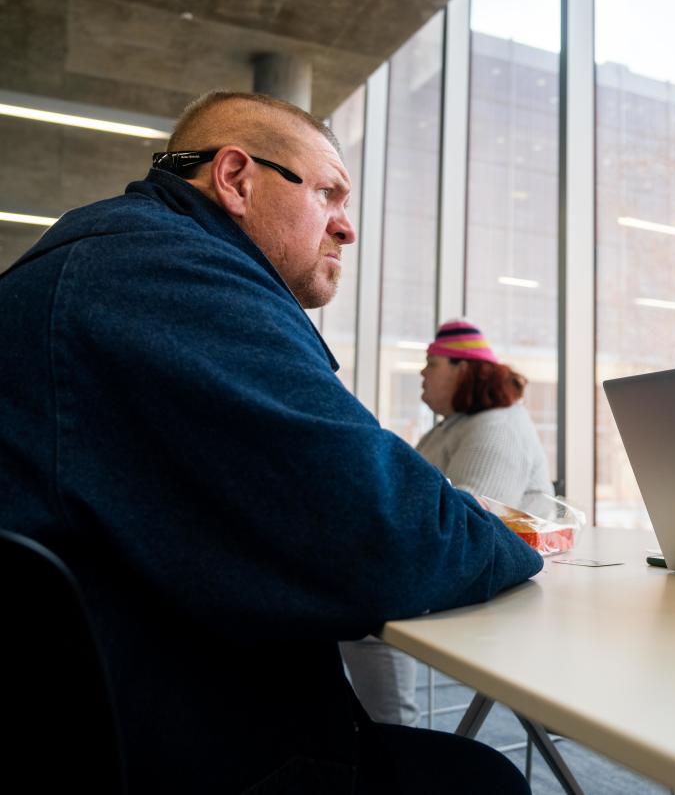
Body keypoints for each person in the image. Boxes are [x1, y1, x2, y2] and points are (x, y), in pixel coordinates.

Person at [0, 90, 543, 793]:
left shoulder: (103, 262)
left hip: (123, 713)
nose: (346, 229)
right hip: (181, 748)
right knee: (479, 782)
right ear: (236, 178)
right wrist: (518, 539)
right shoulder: (177, 281)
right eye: (329, 194)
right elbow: (393, 539)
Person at [342, 319, 553, 726]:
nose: (422, 373)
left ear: (464, 368)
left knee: (369, 608)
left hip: (504, 578)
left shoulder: (499, 425)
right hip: (477, 561)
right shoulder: (455, 427)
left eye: (431, 363)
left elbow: (473, 521)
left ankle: (393, 738)